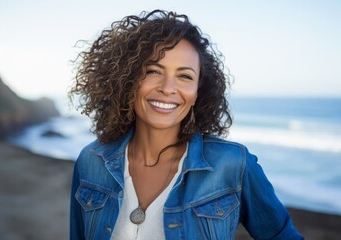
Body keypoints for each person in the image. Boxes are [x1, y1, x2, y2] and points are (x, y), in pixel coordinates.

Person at [69, 9, 304, 240]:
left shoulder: (234, 165)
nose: (168, 88)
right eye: (153, 71)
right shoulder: (91, 161)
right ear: (128, 78)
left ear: (198, 91)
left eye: (185, 76)